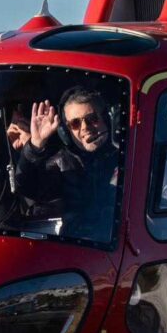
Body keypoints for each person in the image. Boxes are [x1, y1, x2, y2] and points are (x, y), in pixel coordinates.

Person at [14, 86, 119, 243]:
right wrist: (35, 146)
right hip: (79, 247)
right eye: (75, 123)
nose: (85, 128)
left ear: (106, 118)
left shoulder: (127, 156)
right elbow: (25, 187)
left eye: (92, 118)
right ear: (66, 131)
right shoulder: (61, 163)